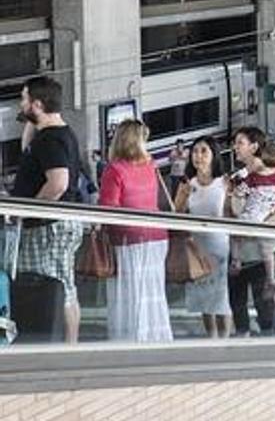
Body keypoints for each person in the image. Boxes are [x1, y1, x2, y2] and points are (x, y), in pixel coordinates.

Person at [12, 76, 86, 344]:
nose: (21, 104)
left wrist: (28, 211)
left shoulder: (50, 140)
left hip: (48, 227)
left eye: (24, 99)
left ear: (38, 104)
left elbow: (58, 183)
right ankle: (70, 347)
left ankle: (64, 349)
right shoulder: (57, 134)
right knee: (67, 287)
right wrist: (30, 124)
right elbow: (28, 152)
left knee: (59, 288)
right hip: (59, 223)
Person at [98, 119, 173, 342]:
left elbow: (108, 207)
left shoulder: (114, 169)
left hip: (128, 238)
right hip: (158, 236)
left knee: (131, 294)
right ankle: (156, 336)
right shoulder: (151, 166)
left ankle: (132, 339)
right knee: (153, 291)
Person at [226, 127, 275, 336]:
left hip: (258, 249)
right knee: (238, 304)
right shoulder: (240, 176)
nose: (235, 147)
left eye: (240, 142)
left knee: (265, 307)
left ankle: (266, 346)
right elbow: (231, 209)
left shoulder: (264, 174)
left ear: (254, 147)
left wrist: (257, 225)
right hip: (244, 249)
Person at [173, 136, 232, 338]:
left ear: (214, 154)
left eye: (204, 151)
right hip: (197, 248)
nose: (198, 156)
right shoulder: (189, 184)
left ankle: (225, 340)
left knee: (221, 299)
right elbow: (177, 214)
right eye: (195, 151)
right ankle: (211, 339)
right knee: (204, 299)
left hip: (219, 247)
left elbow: (232, 214)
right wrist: (181, 197)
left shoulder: (224, 183)